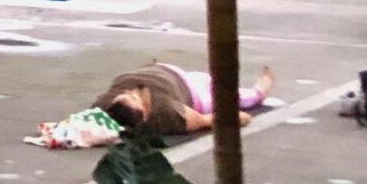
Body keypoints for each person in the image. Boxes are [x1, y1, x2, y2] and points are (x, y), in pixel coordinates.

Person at [60, 61, 280, 145]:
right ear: (144, 112)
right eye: (133, 96)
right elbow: (208, 120)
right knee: (240, 97)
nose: (129, 90)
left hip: (165, 72)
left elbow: (75, 125)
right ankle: (259, 90)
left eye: (126, 94)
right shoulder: (169, 114)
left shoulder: (104, 104)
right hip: (194, 91)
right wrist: (236, 117)